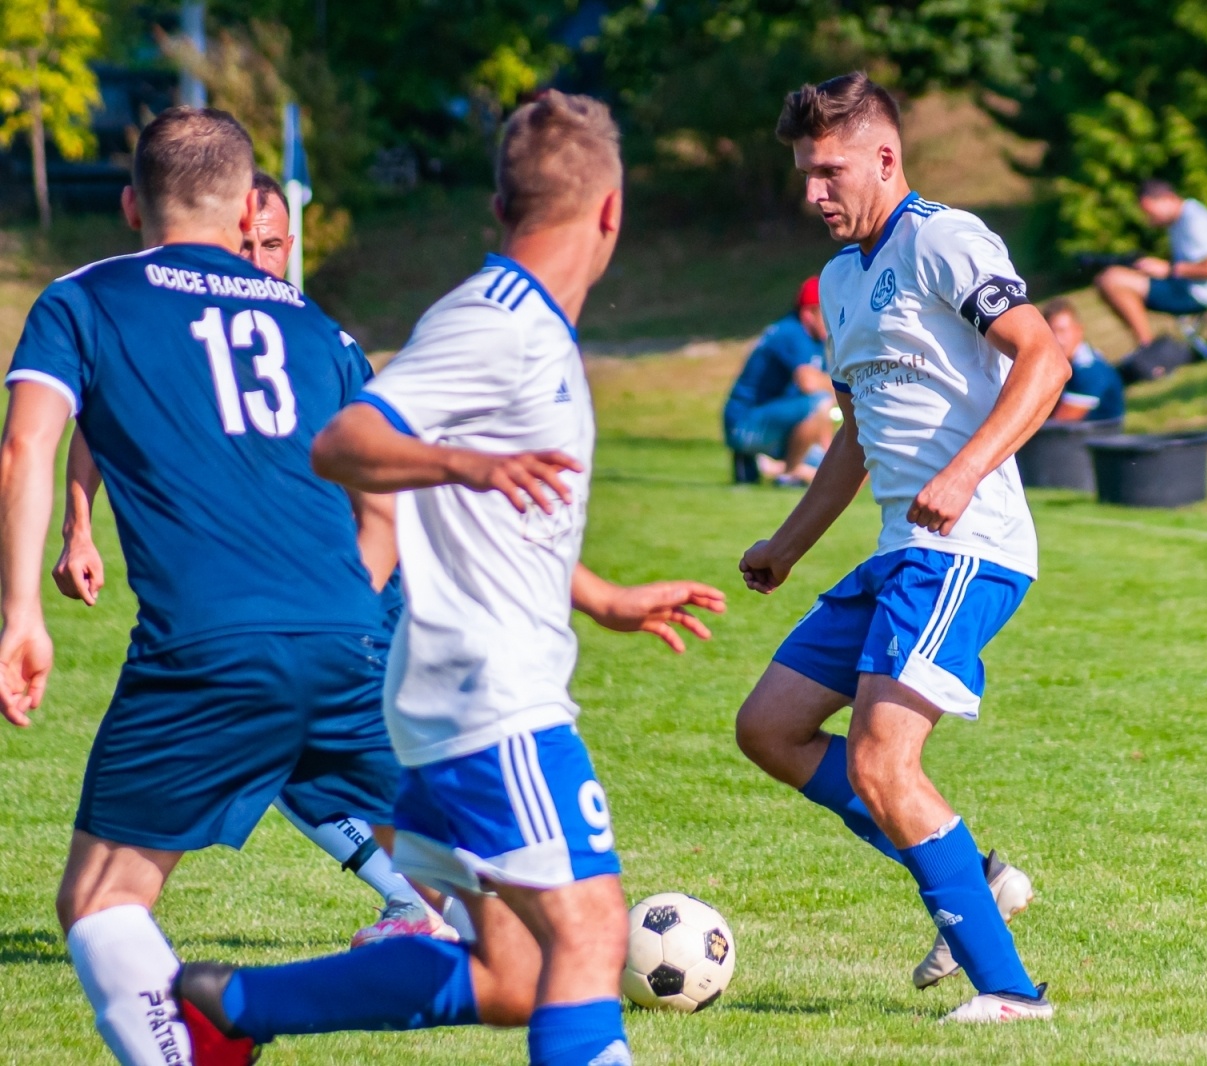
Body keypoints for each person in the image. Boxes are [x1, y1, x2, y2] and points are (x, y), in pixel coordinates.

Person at [174, 91, 725, 1066]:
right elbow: (347, 440)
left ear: (500, 202)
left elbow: (495, 512)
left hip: (457, 692)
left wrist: (597, 595)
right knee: (591, 937)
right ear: (611, 211)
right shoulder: (499, 320)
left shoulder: (528, 326)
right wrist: (467, 463)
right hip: (490, 697)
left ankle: (231, 1005)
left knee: (514, 978)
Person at [0, 107, 406, 1066]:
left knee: (101, 901)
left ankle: (216, 1029)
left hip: (208, 648)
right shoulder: (316, 326)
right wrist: (345, 612)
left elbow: (27, 445)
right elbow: (383, 494)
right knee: (491, 905)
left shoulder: (82, 298)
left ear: (133, 201)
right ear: (244, 215)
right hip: (354, 635)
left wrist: (21, 613)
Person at [733, 72, 1069, 1024]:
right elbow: (854, 432)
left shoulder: (943, 240)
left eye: (829, 171)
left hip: (969, 548)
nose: (813, 193)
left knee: (884, 763)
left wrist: (963, 475)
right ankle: (976, 871)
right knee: (770, 729)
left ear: (886, 158)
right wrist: (789, 543)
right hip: (896, 552)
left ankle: (1009, 994)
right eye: (804, 173)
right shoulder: (841, 281)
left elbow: (1045, 356)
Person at [48, 168, 454, 950]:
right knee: (303, 760)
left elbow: (384, 473)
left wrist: (363, 589)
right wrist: (77, 525)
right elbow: (102, 413)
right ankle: (480, 916)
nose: (259, 257)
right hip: (286, 598)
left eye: (272, 244)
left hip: (352, 582)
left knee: (334, 759)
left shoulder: (316, 334)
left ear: (289, 243)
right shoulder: (168, 323)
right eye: (248, 242)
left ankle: (474, 913)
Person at [723, 275, 835, 484]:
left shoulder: (815, 340)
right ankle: (788, 473)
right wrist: (843, 385)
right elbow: (808, 383)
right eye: (827, 311)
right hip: (745, 425)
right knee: (819, 400)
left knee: (833, 468)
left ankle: (772, 466)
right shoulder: (792, 333)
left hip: (773, 422)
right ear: (809, 313)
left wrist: (829, 452)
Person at [1092, 179, 1207, 349]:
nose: (1149, 219)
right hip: (1184, 287)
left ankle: (1148, 348)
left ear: (1167, 198)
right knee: (1107, 280)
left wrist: (1168, 269)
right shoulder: (1181, 220)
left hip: (1197, 294)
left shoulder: (1195, 221)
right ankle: (1147, 347)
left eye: (1150, 212)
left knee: (1111, 280)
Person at [1040, 297, 1124, 423]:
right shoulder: (1065, 365)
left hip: (1098, 438)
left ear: (1079, 330)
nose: (1058, 339)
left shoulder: (1089, 370)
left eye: (1062, 331)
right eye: (1051, 332)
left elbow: (1059, 424)